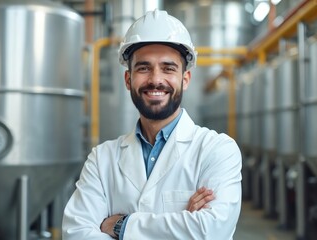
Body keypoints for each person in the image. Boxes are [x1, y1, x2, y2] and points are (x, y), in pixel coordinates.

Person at [62, 9, 242, 240]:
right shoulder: (101, 159)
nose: (156, 79)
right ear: (128, 79)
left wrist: (121, 226)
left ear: (184, 79)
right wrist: (183, 224)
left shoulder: (217, 150)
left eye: (168, 68)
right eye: (144, 68)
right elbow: (76, 234)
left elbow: (212, 230)